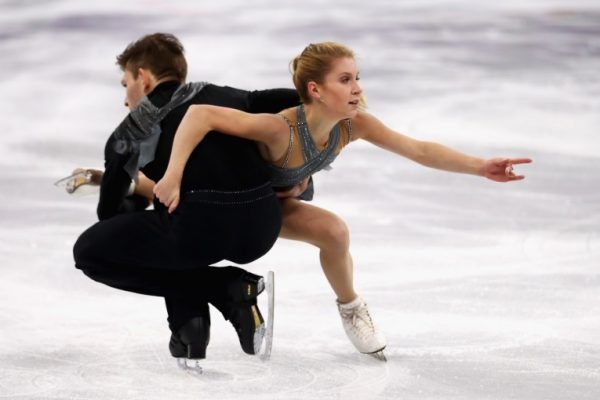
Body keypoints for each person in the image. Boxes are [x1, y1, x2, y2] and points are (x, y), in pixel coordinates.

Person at [153, 41, 532, 360]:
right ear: (316, 89)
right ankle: (127, 181)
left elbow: (417, 149)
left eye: (357, 78)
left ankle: (351, 309)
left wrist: (481, 166)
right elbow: (199, 114)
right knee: (159, 192)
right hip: (234, 201)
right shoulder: (279, 127)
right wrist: (171, 176)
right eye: (346, 80)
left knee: (334, 232)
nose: (357, 89)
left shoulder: (354, 125)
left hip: (273, 201)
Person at [72, 33, 300, 366]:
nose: (125, 99)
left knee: (90, 253)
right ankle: (190, 330)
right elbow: (308, 104)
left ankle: (224, 286)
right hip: (263, 225)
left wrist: (131, 201)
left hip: (201, 232)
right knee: (171, 217)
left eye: (126, 84)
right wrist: (298, 173)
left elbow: (108, 215)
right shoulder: (232, 95)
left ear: (145, 79)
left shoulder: (130, 131)